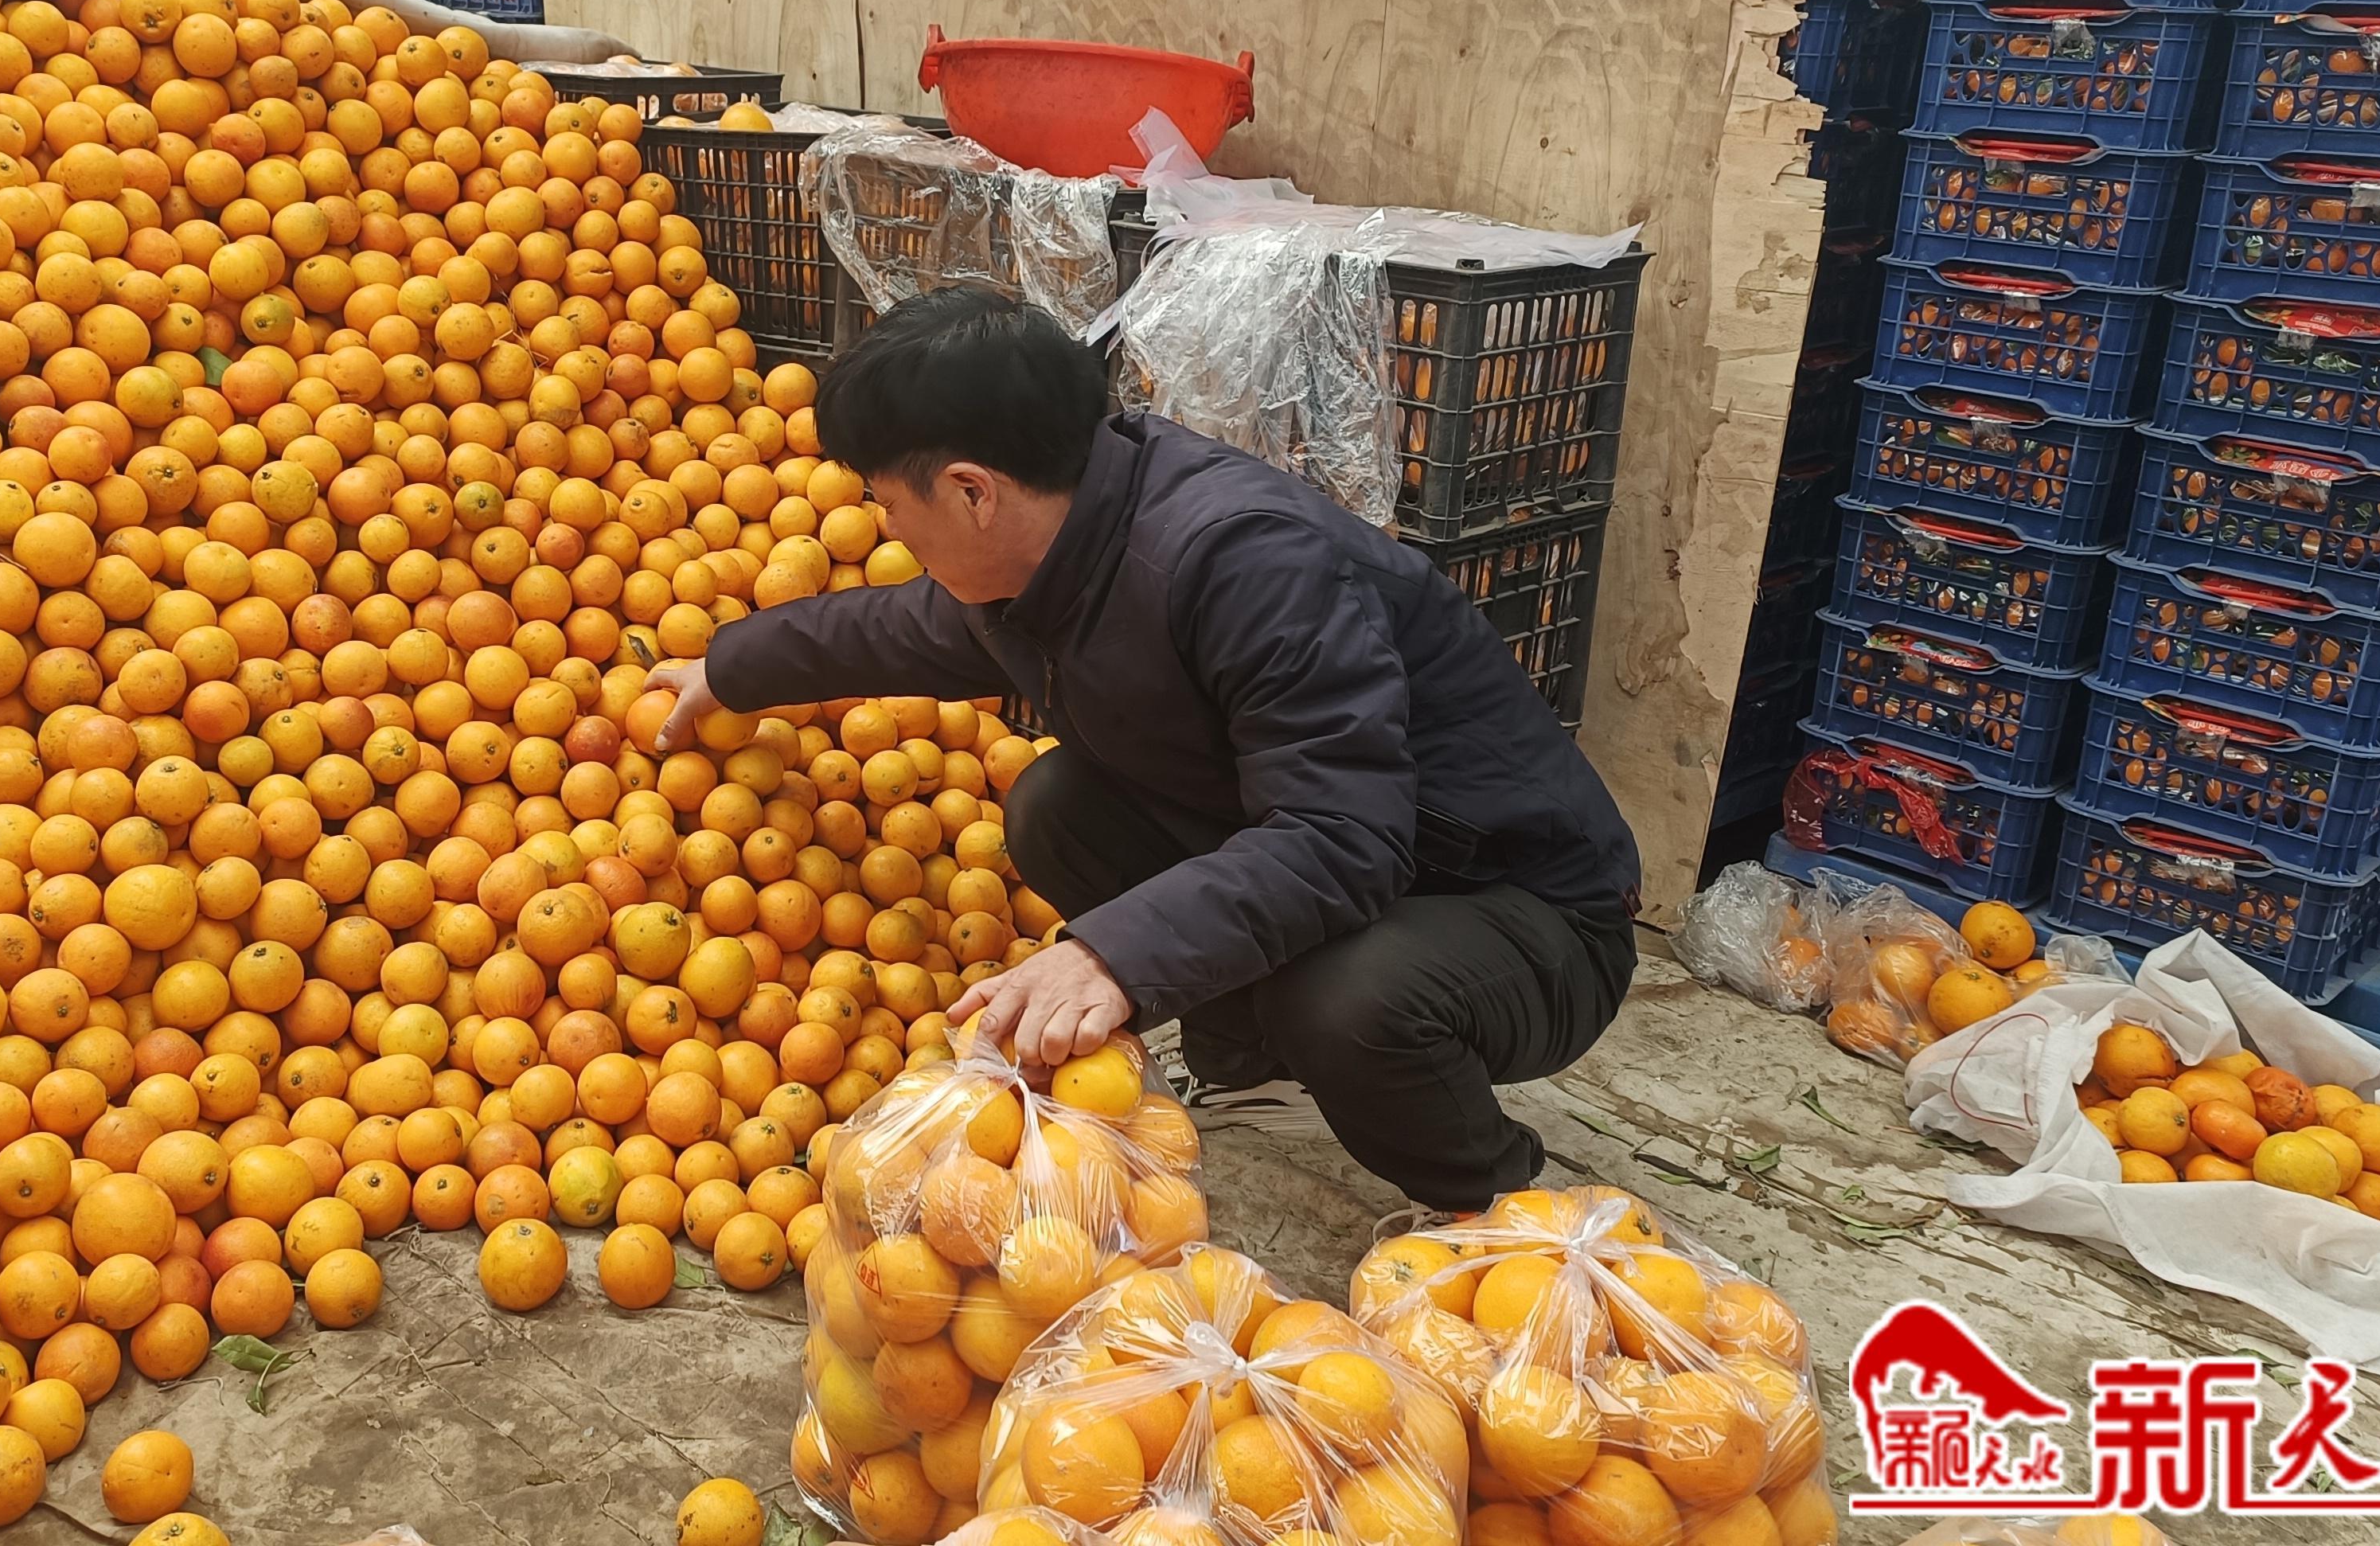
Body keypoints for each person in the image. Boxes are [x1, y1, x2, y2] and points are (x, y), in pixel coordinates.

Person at [642, 288, 1644, 1212]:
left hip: (1519, 904)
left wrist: (1112, 957)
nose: (881, 524)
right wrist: (726, 672)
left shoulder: (1245, 563)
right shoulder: (1064, 537)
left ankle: (1500, 1209)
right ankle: (1259, 1074)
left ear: (971, 492)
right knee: (1059, 806)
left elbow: (1341, 837)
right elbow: (903, 629)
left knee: (1344, 1001)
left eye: (886, 502)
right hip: (1371, 854)